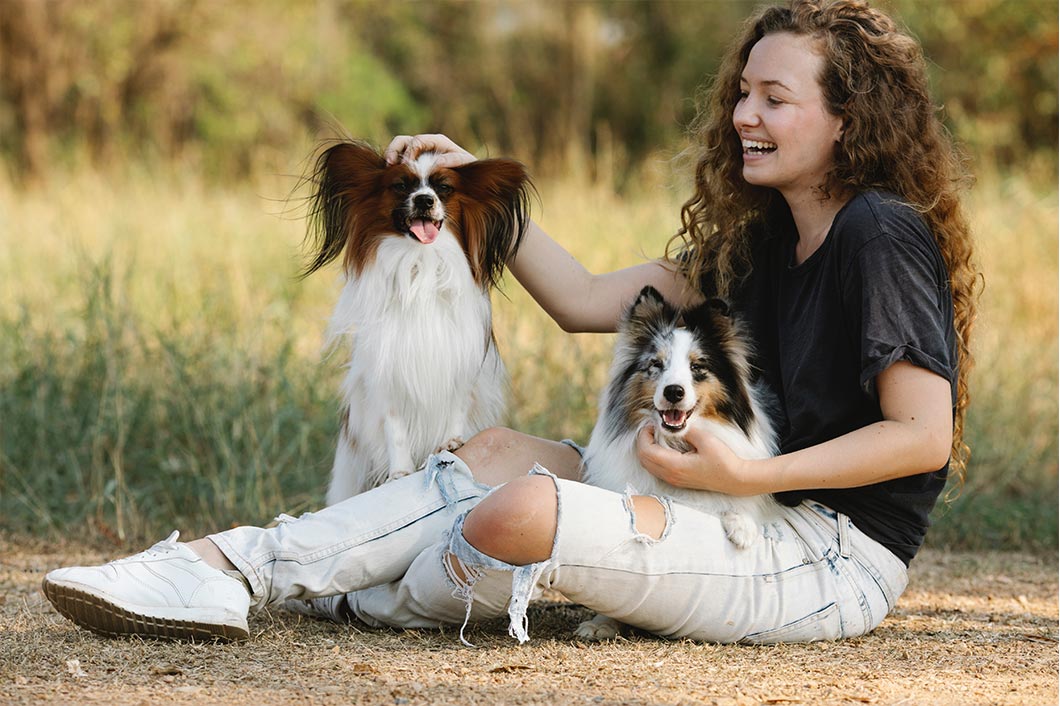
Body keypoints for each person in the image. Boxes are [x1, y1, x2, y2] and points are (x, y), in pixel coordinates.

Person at [43, 0, 979, 645]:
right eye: (743, 92)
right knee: (492, 456)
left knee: (522, 509)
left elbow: (920, 434)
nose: (744, 114)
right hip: (723, 499)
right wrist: (467, 177)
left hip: (823, 552)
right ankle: (225, 567)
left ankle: (367, 601)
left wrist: (752, 471)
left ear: (849, 121)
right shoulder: (756, 246)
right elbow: (577, 301)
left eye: (776, 99)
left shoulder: (879, 233)